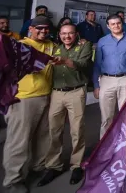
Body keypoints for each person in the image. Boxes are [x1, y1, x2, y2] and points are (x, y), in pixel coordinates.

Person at [3, 15, 56, 193]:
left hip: (46, 96)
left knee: (43, 137)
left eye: (46, 28)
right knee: (18, 141)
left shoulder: (51, 45)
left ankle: (38, 167)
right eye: (39, 28)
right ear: (30, 29)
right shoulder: (21, 46)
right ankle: (13, 181)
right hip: (23, 99)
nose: (43, 31)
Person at [37, 24, 93, 187]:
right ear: (59, 35)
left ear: (76, 34)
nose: (67, 36)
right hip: (56, 93)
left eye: (70, 33)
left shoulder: (84, 46)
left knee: (77, 130)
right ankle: (53, 165)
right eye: (63, 33)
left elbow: (83, 65)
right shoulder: (55, 48)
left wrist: (65, 61)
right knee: (54, 130)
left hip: (76, 91)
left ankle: (76, 165)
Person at [93, 14, 126, 138]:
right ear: (108, 26)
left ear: (122, 23)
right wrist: (96, 85)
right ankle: (105, 146)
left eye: (118, 23)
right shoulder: (102, 41)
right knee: (106, 117)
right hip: (106, 80)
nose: (116, 26)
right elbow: (97, 63)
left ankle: (124, 145)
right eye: (113, 24)